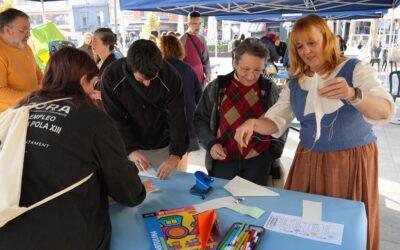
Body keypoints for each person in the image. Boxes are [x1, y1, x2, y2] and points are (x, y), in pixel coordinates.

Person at [234, 14, 395, 250]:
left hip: (350, 162)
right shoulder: (296, 82)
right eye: (299, 46)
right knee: (304, 226)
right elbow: (276, 119)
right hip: (308, 162)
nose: (306, 51)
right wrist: (253, 124)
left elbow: (386, 110)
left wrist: (353, 94)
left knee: (343, 228)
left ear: (326, 40)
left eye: (312, 43)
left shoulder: (355, 69)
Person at [0, 47, 153, 249]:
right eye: (93, 83)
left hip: (8, 230)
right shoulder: (91, 117)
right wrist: (138, 190)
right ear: (83, 81)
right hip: (66, 235)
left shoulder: (18, 109)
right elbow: (126, 188)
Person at [194, 38, 287, 186]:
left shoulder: (270, 90)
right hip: (222, 159)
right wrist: (211, 144)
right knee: (221, 202)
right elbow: (199, 120)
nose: (251, 76)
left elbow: (282, 122)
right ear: (235, 63)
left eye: (257, 70)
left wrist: (271, 153)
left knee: (255, 206)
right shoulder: (217, 88)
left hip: (259, 162)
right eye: (245, 69)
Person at [101, 39, 189, 180]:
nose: (147, 84)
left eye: (152, 78)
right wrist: (130, 150)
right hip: (128, 146)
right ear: (131, 67)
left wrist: (175, 155)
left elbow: (177, 116)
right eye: (141, 79)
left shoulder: (170, 75)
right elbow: (115, 118)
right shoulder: (112, 76)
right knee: (134, 191)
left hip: (162, 144)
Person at [159, 35, 202, 172]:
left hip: (165, 122)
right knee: (182, 160)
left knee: (165, 162)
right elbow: (199, 95)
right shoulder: (188, 69)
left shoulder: (159, 69)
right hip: (187, 119)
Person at [0, 8, 43, 112]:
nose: (28, 35)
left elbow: (37, 73)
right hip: (9, 117)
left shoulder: (24, 46)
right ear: (7, 30)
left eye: (29, 30)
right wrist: (33, 97)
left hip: (31, 108)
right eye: (23, 30)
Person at [180, 11, 211, 85]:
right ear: (188, 24)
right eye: (195, 23)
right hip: (187, 80)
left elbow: (206, 59)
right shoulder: (182, 40)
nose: (198, 26)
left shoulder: (202, 39)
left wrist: (208, 74)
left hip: (201, 80)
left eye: (199, 23)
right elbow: (178, 62)